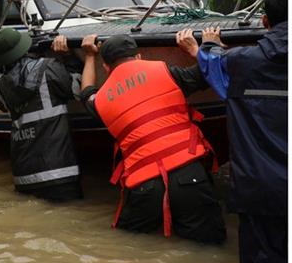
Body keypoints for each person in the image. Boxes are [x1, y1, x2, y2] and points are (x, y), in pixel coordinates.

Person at [176, 0, 288, 263]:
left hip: (259, 186)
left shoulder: (242, 62)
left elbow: (216, 69)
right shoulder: (242, 60)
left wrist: (206, 47)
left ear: (264, 22)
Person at [79, 33, 225, 243]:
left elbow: (86, 93)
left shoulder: (100, 100)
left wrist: (89, 56)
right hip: (189, 174)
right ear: (138, 57)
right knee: (208, 245)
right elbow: (210, 71)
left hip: (144, 185)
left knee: (128, 244)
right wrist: (206, 46)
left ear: (107, 68)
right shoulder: (166, 71)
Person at [0, 29, 83, 201]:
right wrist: (68, 56)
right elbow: (78, 87)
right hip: (59, 174)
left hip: (24, 179)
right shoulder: (48, 68)